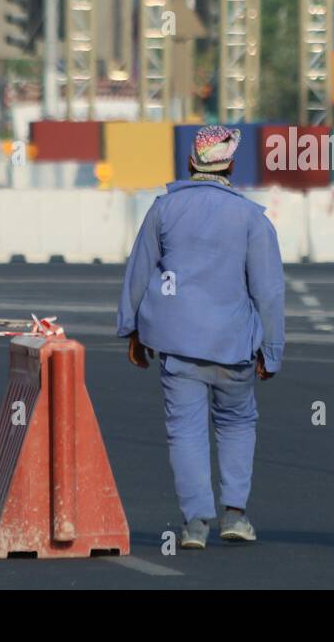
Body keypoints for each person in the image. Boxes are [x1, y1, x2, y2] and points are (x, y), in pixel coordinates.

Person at [118, 125, 285, 549]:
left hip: (177, 345)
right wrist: (273, 350)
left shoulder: (163, 210)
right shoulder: (252, 218)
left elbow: (138, 274)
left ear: (192, 163)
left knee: (185, 432)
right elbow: (268, 292)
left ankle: (195, 523)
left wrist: (132, 330)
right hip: (234, 348)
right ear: (230, 165)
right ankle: (235, 514)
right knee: (236, 424)